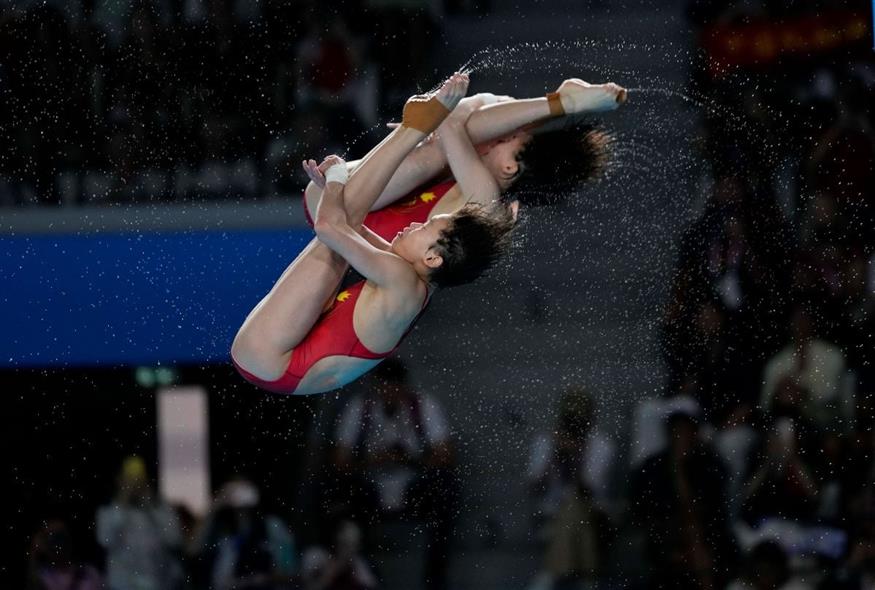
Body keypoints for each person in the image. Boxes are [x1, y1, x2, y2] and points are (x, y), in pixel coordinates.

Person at [231, 73, 516, 395]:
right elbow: (353, 229)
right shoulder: (415, 285)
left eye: (426, 226)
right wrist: (333, 192)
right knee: (347, 218)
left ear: (433, 258)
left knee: (343, 223)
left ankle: (413, 129)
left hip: (272, 357)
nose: (413, 224)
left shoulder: (401, 279)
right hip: (278, 365)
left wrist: (339, 177)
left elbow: (329, 228)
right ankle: (413, 128)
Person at [302, 78, 627, 243]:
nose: (507, 134)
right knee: (454, 133)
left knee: (442, 143)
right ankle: (558, 103)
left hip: (338, 206)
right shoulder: (477, 169)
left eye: (511, 138)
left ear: (510, 168)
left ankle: (559, 103)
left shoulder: (485, 203)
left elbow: (453, 116)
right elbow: (468, 112)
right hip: (336, 193)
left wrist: (424, 127)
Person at [327, 358, 460, 590]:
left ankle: (434, 579)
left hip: (412, 485)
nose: (389, 394)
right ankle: (360, 573)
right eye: (384, 388)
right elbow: (339, 460)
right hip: (370, 486)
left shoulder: (422, 406)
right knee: (336, 491)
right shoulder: (361, 407)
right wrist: (373, 461)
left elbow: (446, 454)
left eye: (394, 388)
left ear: (404, 386)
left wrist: (408, 459)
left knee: (445, 486)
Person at [95, 455, 184, 590]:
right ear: (119, 480)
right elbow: (105, 540)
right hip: (123, 586)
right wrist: (122, 501)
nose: (135, 485)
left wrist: (150, 506)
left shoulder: (161, 510)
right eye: (129, 480)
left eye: (139, 480)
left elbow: (175, 540)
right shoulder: (108, 512)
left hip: (158, 584)